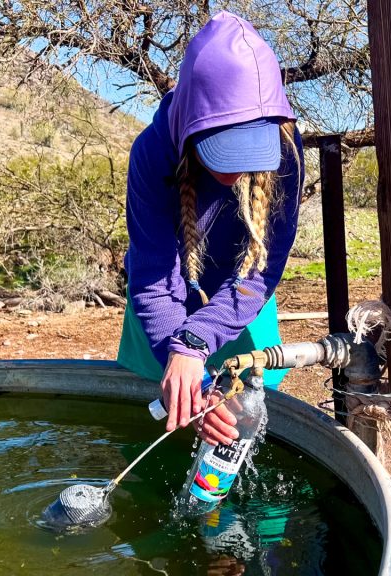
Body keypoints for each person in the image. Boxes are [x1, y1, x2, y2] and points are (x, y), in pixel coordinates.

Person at [117, 12, 304, 446]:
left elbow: (260, 273)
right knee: (172, 408)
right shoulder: (151, 153)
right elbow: (151, 276)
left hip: (243, 296)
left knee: (248, 422)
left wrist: (198, 338)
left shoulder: (285, 146)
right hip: (162, 302)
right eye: (224, 150)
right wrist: (187, 367)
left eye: (249, 153)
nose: (237, 171)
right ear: (190, 125)